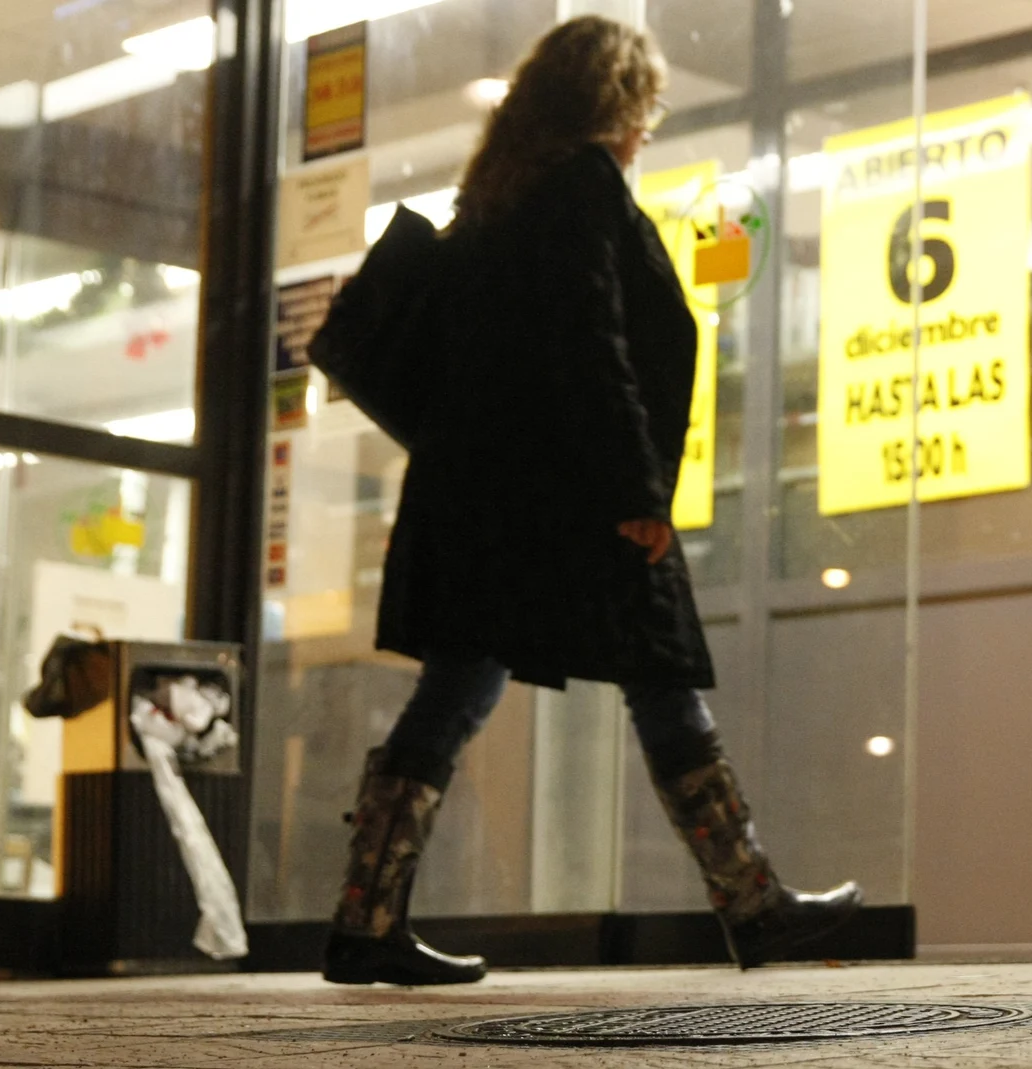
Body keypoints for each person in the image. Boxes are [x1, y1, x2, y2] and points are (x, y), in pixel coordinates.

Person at [321, 16, 861, 986]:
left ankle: (365, 918)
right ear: (612, 103)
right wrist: (638, 489)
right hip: (565, 504)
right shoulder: (577, 190)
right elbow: (593, 346)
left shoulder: (496, 198)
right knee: (656, 672)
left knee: (459, 689)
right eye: (644, 107)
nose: (647, 128)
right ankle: (752, 901)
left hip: (480, 502)